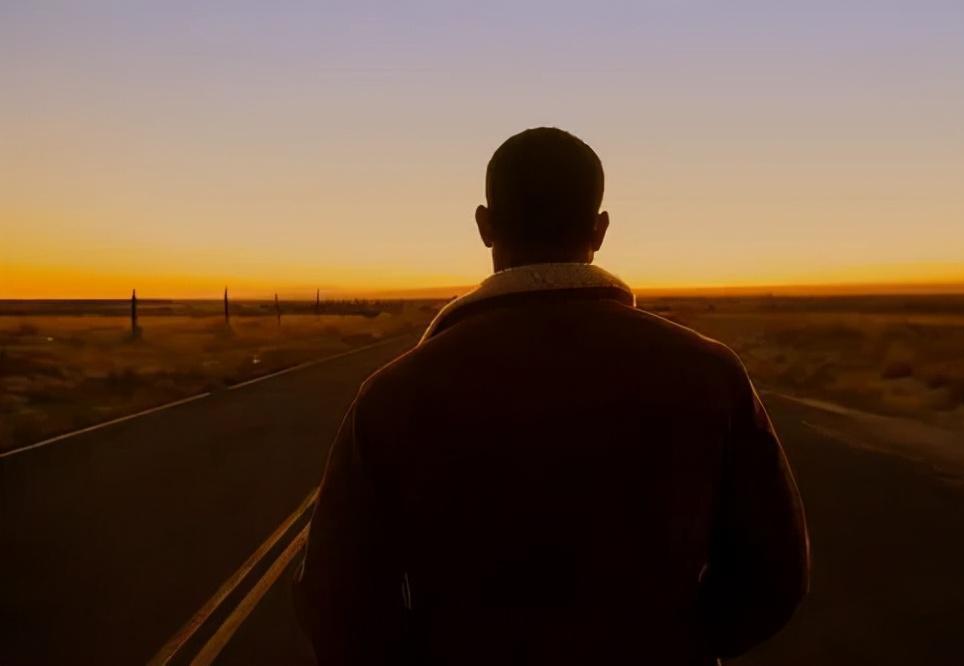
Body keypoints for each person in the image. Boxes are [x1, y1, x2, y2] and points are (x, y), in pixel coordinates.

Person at [295, 127, 809, 665]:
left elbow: (337, 604)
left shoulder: (392, 395)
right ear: (600, 229)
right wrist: (677, 644)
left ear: (485, 226)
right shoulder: (710, 373)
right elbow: (776, 574)